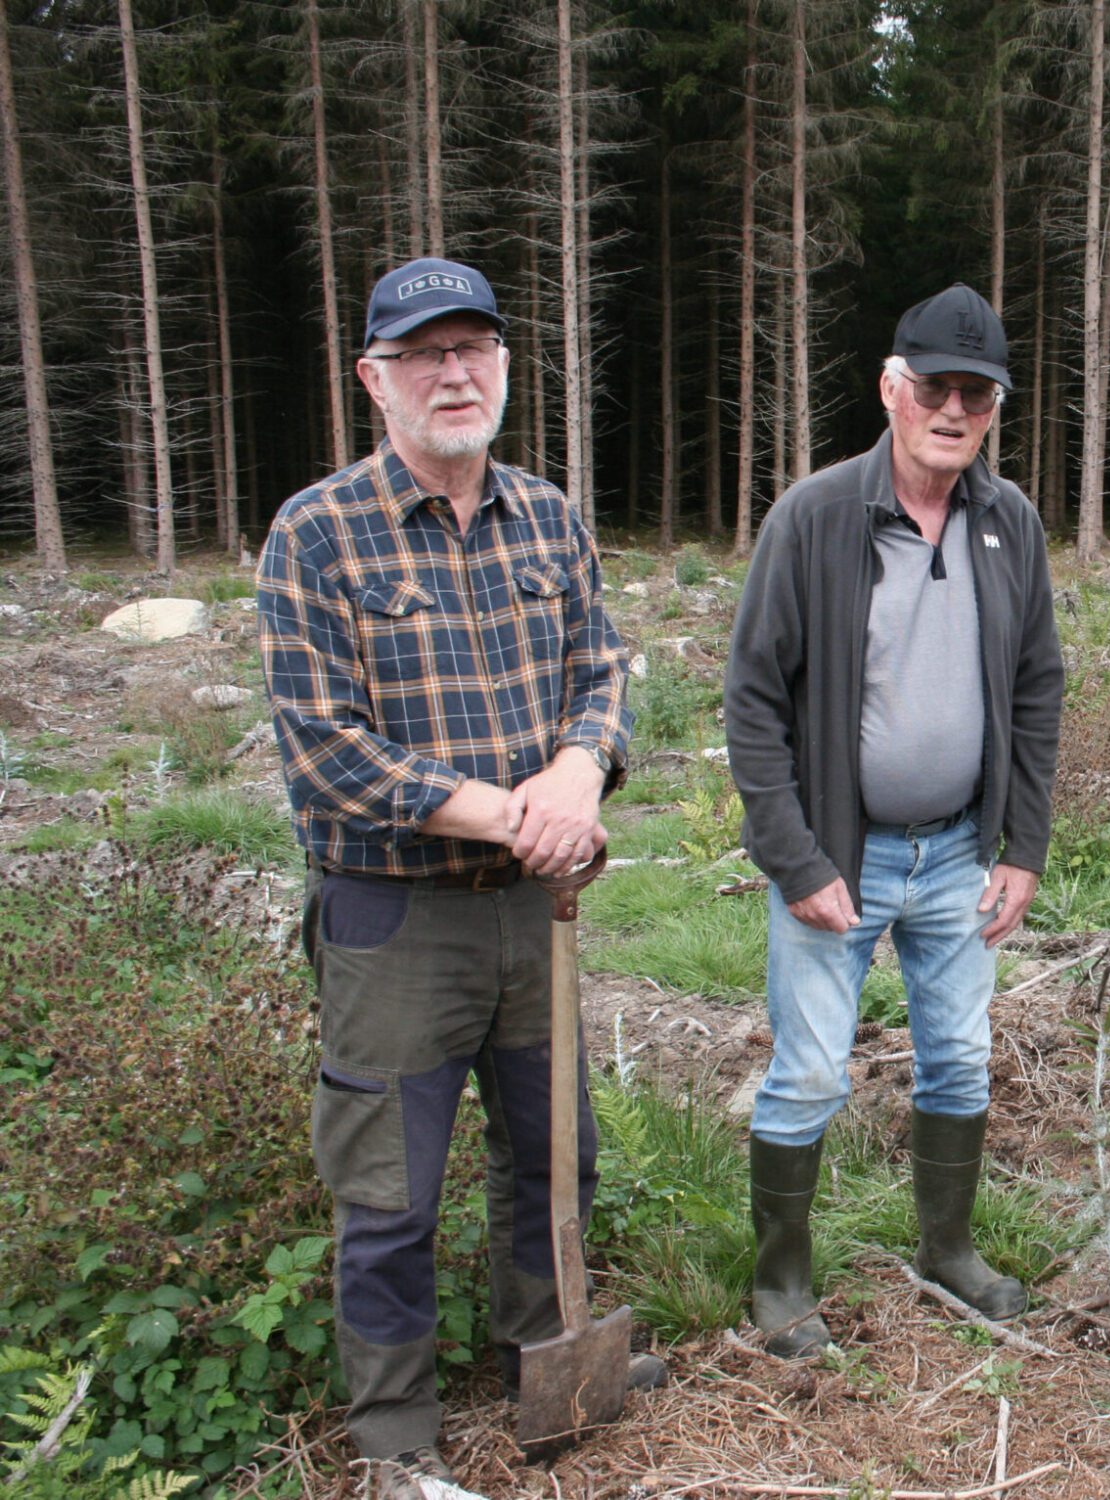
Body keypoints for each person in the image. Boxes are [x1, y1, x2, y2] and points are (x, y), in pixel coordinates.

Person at [258, 257, 657, 1500]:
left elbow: (604, 672)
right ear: (373, 379)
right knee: (388, 1190)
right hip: (395, 919)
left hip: (533, 915)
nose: (454, 371)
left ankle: (546, 1363)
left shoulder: (550, 515)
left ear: (501, 366)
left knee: (554, 1158)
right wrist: (510, 812)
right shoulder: (316, 533)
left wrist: (583, 774)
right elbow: (327, 749)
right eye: (424, 353)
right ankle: (396, 1443)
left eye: (473, 347)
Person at [724, 283, 1063, 1358]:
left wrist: (1022, 847)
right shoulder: (816, 517)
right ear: (891, 388)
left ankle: (947, 1251)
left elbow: (1038, 686)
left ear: (996, 407)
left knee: (960, 1055)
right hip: (839, 855)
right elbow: (753, 697)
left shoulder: (1008, 524)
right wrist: (794, 856)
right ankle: (781, 1283)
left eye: (978, 393)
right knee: (813, 1069)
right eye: (935, 387)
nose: (954, 409)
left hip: (961, 848)